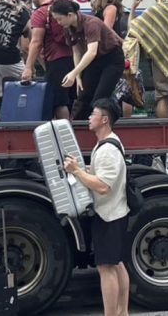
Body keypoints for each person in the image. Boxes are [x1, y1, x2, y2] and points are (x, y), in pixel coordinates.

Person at [64, 99, 129, 316]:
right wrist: (84, 168)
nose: (89, 118)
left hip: (108, 215)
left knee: (106, 268)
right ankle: (122, 312)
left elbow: (102, 187)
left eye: (93, 114)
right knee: (117, 263)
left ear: (105, 120)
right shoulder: (107, 144)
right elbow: (101, 173)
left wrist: (76, 172)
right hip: (115, 212)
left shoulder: (108, 149)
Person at [50, 0, 125, 120]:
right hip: (94, 61)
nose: (58, 22)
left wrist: (73, 74)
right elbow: (76, 51)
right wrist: (78, 75)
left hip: (112, 59)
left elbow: (91, 52)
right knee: (83, 96)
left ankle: (104, 124)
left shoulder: (91, 23)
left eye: (59, 19)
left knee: (99, 98)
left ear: (70, 15)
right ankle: (78, 128)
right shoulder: (68, 28)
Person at [22, 0, 75, 120]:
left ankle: (65, 137)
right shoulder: (65, 6)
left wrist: (28, 67)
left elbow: (36, 42)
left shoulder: (41, 12)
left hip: (57, 61)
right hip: (76, 60)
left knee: (59, 102)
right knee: (72, 100)